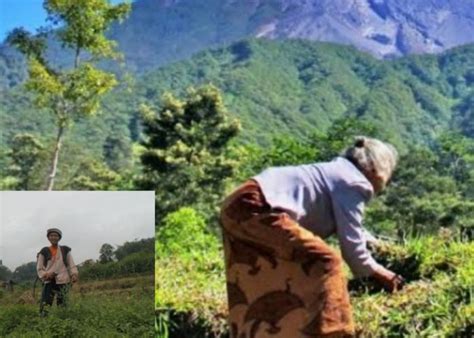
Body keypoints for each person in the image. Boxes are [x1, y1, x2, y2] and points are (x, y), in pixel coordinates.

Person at [219, 136, 404, 338]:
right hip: (256, 204)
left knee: (260, 276)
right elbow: (353, 253)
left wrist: (379, 244)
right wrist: (385, 275)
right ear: (376, 168)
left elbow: (353, 229)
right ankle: (334, 332)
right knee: (327, 260)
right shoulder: (354, 182)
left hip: (236, 203)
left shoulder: (338, 173)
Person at [37, 228, 79, 316]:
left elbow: (71, 263)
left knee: (63, 303)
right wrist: (46, 274)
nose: (53, 237)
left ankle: (63, 319)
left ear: (59, 238)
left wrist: (74, 274)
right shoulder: (44, 251)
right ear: (48, 238)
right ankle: (43, 320)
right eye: (51, 236)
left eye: (56, 236)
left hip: (64, 280)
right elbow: (40, 268)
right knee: (46, 303)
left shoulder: (65, 250)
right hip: (49, 281)